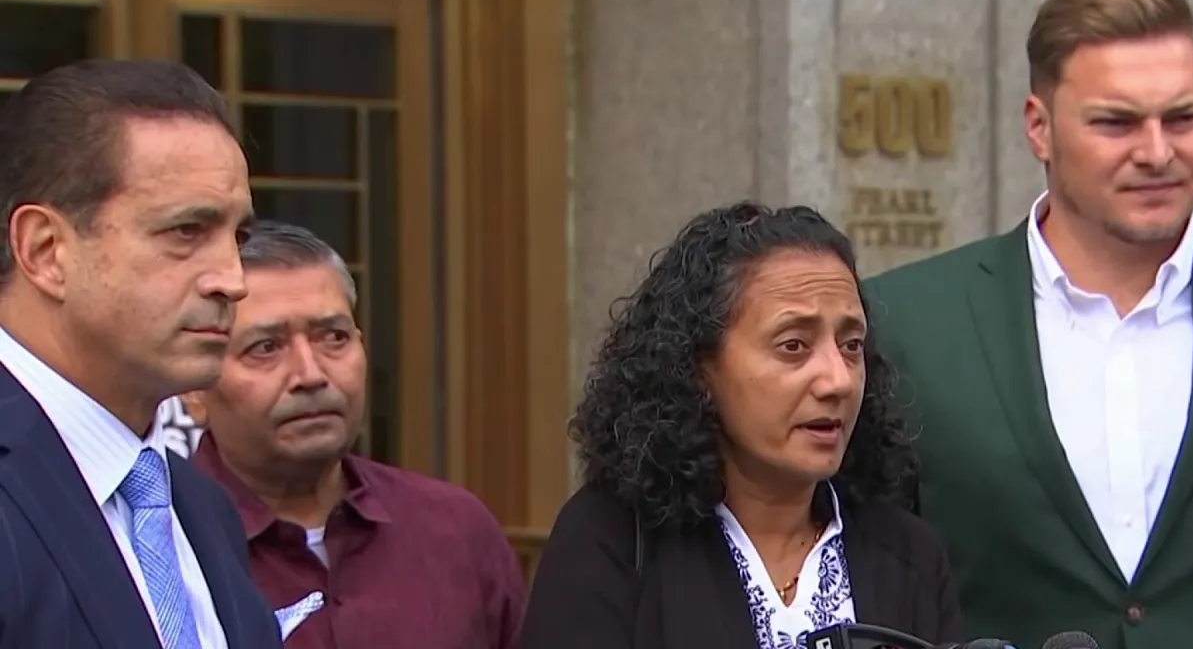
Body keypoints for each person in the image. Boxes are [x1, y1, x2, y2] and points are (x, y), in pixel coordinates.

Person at [863, 0, 1193, 648]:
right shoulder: (905, 321)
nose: (1157, 152)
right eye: (1116, 122)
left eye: (1183, 118)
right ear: (1040, 128)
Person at [520, 202, 964, 649]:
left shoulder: (909, 556)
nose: (838, 381)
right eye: (794, 345)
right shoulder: (611, 543)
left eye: (851, 345)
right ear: (699, 369)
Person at [0, 59, 281, 647]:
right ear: (46, 251)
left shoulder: (200, 508)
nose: (233, 280)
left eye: (238, 238)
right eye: (186, 232)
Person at [180, 220, 526, 649]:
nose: (311, 374)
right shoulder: (159, 547)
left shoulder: (454, 531)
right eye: (266, 347)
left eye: (334, 338)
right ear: (194, 389)